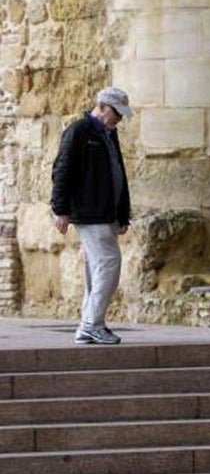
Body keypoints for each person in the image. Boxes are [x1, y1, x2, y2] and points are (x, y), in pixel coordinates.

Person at [50, 87, 134, 345]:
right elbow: (62, 170)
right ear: (102, 106)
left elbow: (117, 172)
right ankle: (91, 324)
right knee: (110, 262)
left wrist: (122, 214)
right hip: (90, 211)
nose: (119, 119)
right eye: (116, 113)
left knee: (95, 268)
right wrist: (60, 209)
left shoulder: (109, 134)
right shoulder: (79, 131)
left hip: (106, 212)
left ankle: (88, 325)